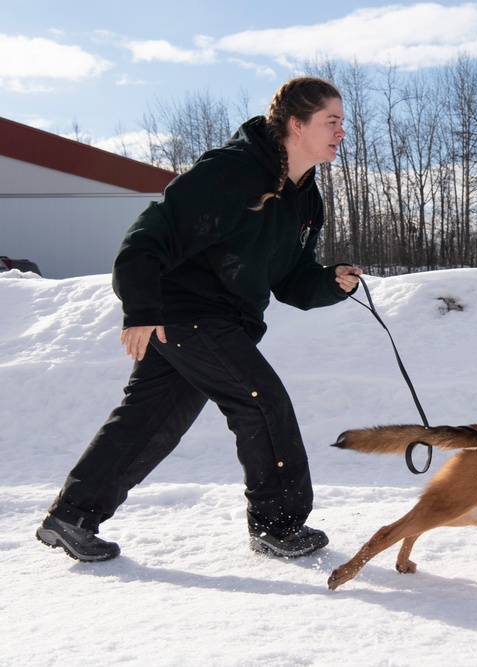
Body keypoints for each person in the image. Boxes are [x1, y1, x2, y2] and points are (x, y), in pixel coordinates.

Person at [35, 76, 362, 562]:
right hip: (185, 311)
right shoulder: (230, 173)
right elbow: (148, 237)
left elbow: (290, 277)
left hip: (225, 319)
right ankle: (278, 526)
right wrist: (140, 310)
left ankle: (72, 517)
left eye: (342, 123)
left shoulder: (306, 198)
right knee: (261, 401)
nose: (341, 132)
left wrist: (329, 282)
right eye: (331, 121)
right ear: (297, 125)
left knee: (152, 421)